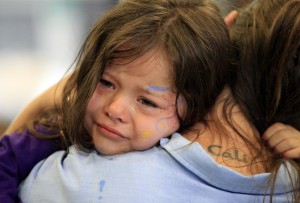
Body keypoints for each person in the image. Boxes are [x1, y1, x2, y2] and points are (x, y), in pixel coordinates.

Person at [1, 0, 300, 202]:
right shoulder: (55, 133)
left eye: (147, 102)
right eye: (104, 82)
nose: (114, 110)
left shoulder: (70, 180)